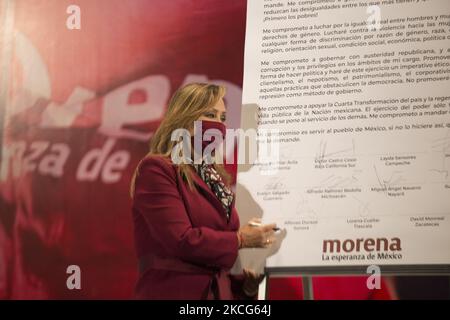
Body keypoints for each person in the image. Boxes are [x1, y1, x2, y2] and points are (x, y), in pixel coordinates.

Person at [130, 83, 277, 299]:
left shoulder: (216, 177)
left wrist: (246, 286)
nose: (219, 125)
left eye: (223, 118)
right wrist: (240, 240)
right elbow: (181, 240)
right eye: (210, 115)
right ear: (185, 120)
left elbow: (220, 255)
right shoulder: (157, 169)